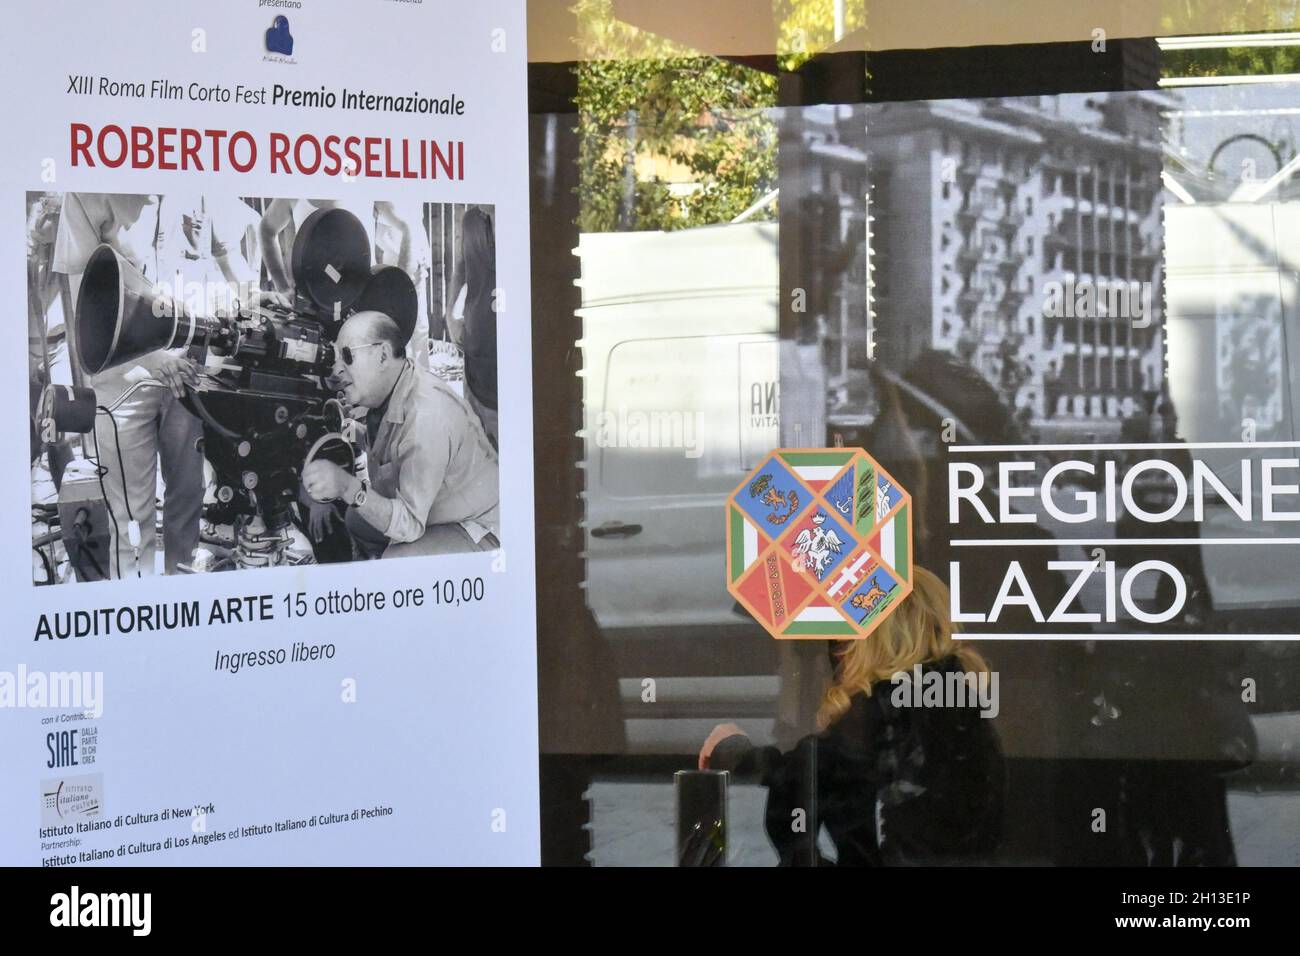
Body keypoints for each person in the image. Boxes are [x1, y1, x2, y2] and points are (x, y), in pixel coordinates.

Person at [699, 567, 1005, 866]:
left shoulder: (882, 710)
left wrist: (735, 751)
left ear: (873, 634)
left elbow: (808, 773)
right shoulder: (963, 703)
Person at [53, 192, 248, 577]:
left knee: (188, 499)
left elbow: (229, 257)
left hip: (190, 373)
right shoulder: (87, 189)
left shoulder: (201, 177)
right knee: (129, 514)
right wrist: (155, 359)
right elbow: (84, 296)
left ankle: (179, 595)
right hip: (121, 377)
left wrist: (256, 302)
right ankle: (136, 606)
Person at [301, 310, 500, 558]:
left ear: (383, 355)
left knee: (397, 560)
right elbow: (397, 443)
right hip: (436, 508)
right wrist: (358, 434)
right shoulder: (393, 387)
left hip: (478, 526)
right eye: (336, 357)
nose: (337, 370)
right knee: (357, 521)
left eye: (348, 356)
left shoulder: (426, 415)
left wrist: (347, 486)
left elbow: (409, 525)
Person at [445, 207, 498, 449]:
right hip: (473, 355)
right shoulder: (470, 219)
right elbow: (461, 266)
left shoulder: (515, 216)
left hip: (502, 365)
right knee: (478, 444)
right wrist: (450, 316)